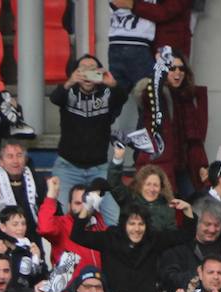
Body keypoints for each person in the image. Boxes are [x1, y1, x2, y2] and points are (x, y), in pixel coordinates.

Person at [49, 54, 126, 202]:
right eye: (83, 70)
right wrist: (70, 81)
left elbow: (122, 97)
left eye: (92, 70)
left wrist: (112, 84)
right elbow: (55, 98)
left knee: (113, 216)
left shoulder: (107, 93)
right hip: (67, 167)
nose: (87, 74)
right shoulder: (68, 92)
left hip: (99, 168)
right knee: (61, 211)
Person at [133, 49, 208, 197]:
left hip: (183, 165)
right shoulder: (156, 94)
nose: (178, 73)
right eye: (172, 68)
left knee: (194, 205)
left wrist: (201, 165)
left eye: (182, 69)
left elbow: (194, 140)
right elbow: (150, 95)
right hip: (160, 165)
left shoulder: (187, 97)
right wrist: (159, 69)